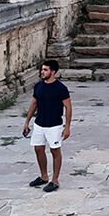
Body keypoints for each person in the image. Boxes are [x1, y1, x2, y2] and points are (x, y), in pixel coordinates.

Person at [22, 59, 71, 193]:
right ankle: (44, 176)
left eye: (45, 70)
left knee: (55, 151)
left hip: (54, 125)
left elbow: (68, 107)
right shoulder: (38, 86)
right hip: (39, 124)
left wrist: (67, 127)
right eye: (42, 69)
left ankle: (55, 180)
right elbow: (34, 104)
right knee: (38, 149)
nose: (42, 72)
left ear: (53, 72)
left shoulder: (61, 88)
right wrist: (27, 122)